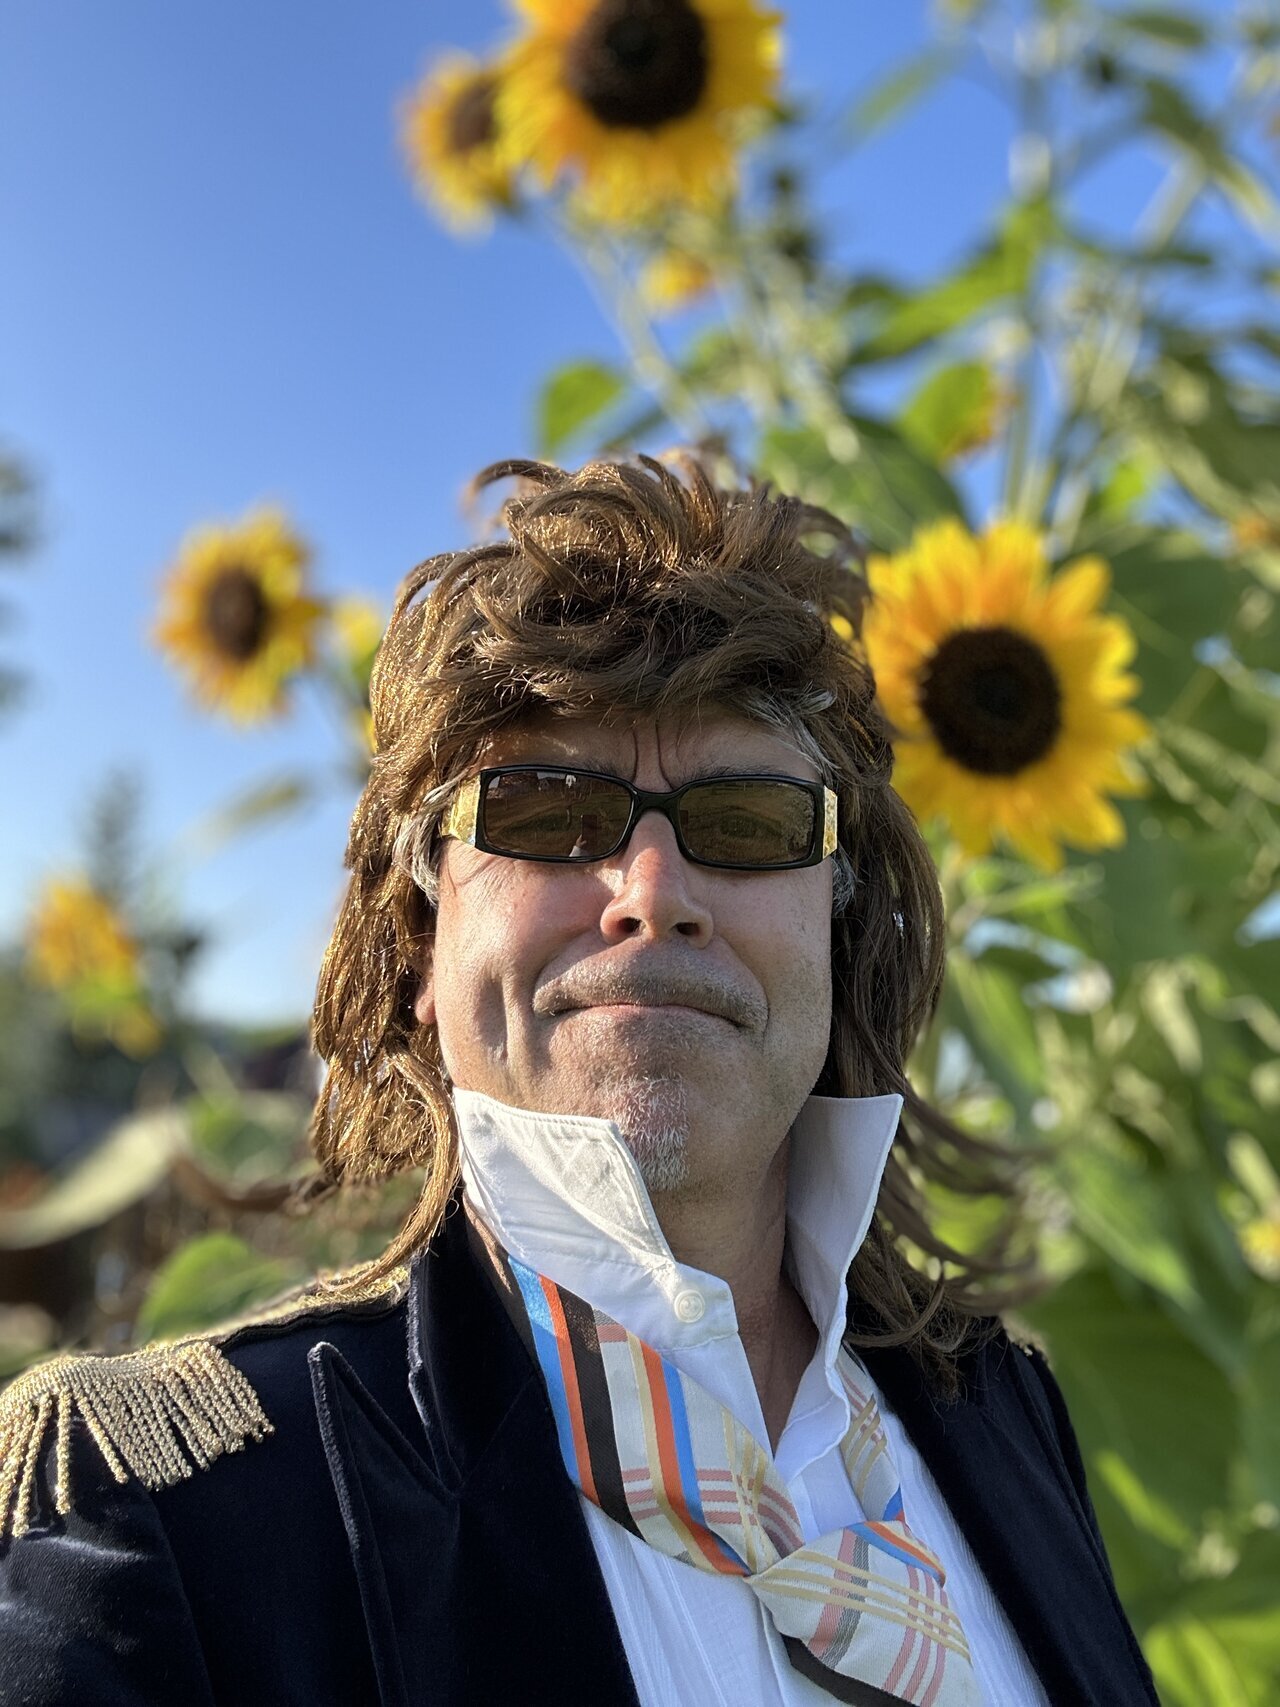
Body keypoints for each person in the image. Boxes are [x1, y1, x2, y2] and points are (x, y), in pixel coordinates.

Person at [0, 454, 1158, 1706]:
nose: (652, 895)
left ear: (836, 925)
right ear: (419, 942)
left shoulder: (1004, 1414)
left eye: (748, 821)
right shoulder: (163, 1520)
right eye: (546, 813)